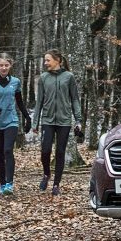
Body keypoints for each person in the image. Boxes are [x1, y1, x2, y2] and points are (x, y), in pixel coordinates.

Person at [32, 49, 82, 196]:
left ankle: (56, 185)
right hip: (47, 120)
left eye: (48, 60)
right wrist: (35, 123)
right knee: (45, 150)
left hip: (64, 121)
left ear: (57, 60)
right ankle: (46, 174)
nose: (45, 63)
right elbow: (39, 101)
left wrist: (78, 120)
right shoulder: (43, 78)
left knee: (60, 152)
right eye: (45, 60)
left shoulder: (69, 77)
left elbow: (74, 99)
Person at [0, 53, 31, 195]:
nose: (4, 68)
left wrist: (27, 117)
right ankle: (2, 184)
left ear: (10, 66)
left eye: (6, 65)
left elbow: (19, 101)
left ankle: (9, 183)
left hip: (11, 120)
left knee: (8, 150)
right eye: (1, 65)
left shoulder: (15, 82)